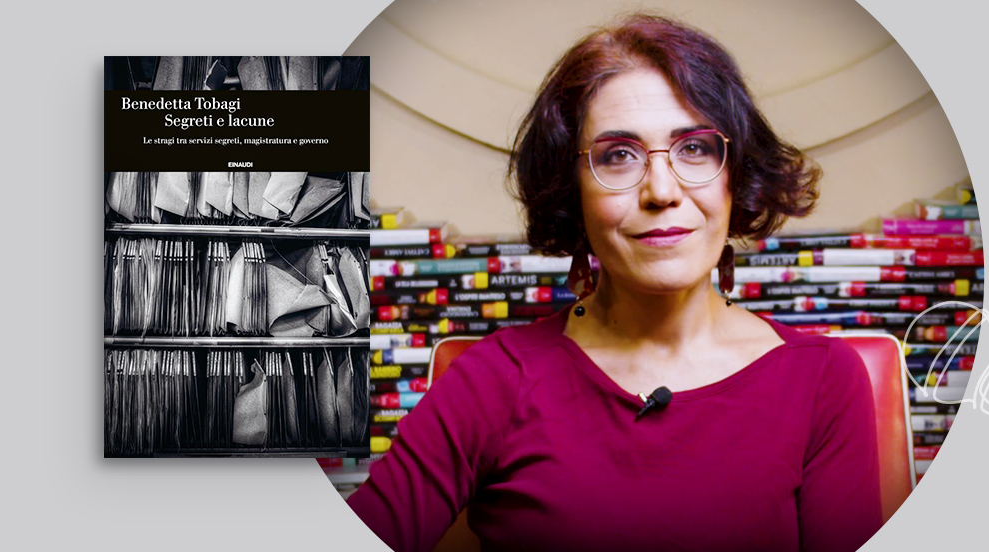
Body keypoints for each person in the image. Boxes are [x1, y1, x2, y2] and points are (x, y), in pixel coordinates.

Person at [348, 14, 883, 552]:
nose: (662, 191)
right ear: (571, 192)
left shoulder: (824, 381)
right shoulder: (492, 380)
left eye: (694, 147)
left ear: (735, 175)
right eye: (619, 156)